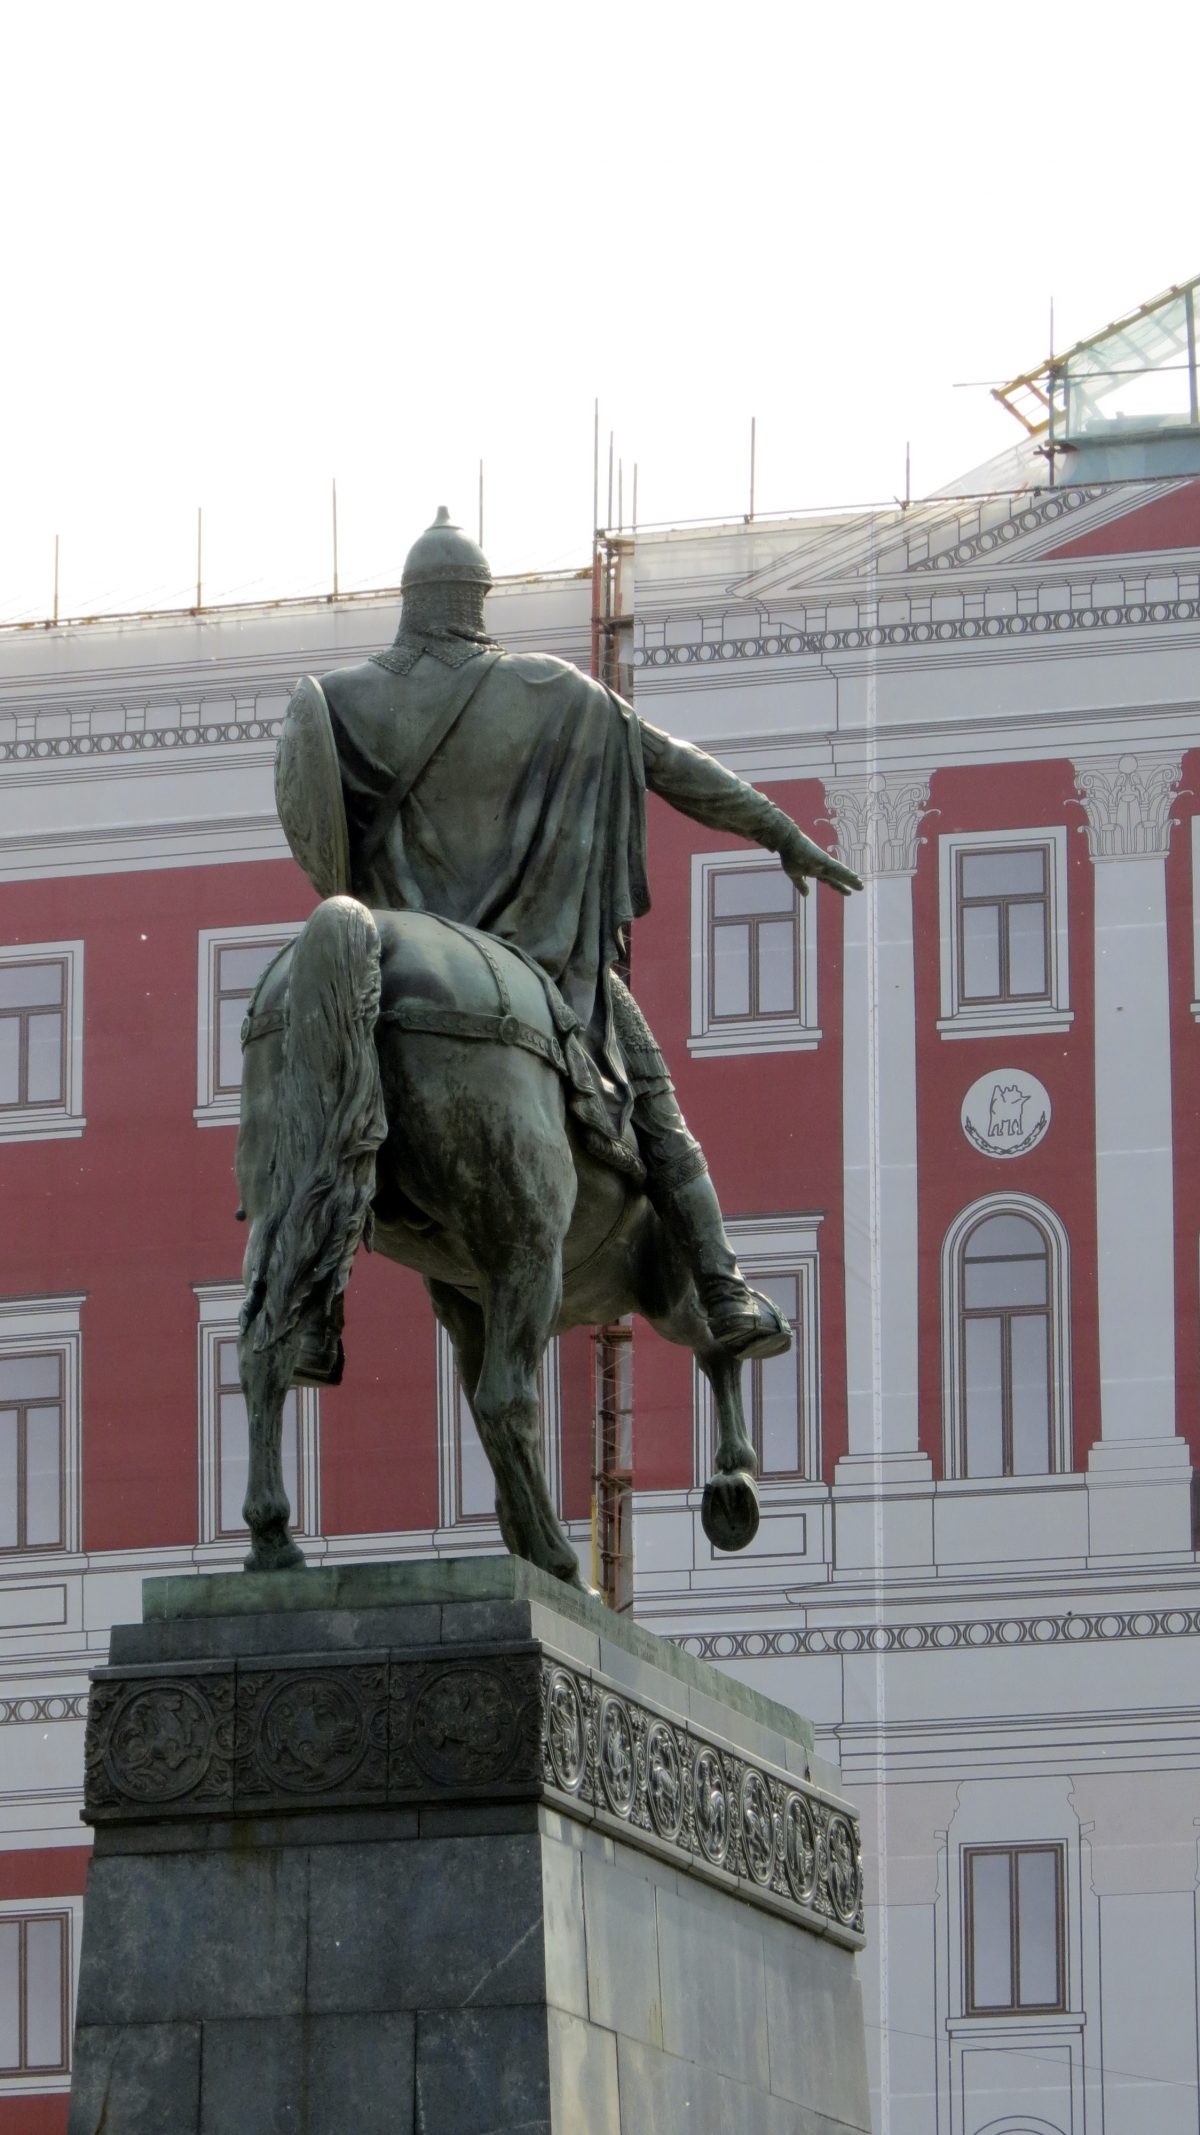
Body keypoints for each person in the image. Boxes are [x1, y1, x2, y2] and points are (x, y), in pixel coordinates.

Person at [302, 508, 862, 1362]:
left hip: (386, 964)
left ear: (409, 600)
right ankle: (720, 1283)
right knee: (663, 1120)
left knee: (318, 1099)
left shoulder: (339, 703)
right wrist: (781, 830)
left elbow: (317, 837)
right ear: (476, 602)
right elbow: (673, 766)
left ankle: (313, 1294)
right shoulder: (554, 693)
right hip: (539, 961)